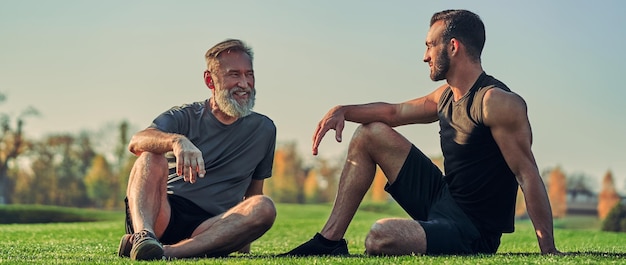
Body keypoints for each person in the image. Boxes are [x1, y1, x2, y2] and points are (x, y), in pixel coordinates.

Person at [283, 9, 560, 256]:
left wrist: (548, 250)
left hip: (472, 230)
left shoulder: (495, 102)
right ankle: (329, 242)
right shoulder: (446, 96)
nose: (425, 55)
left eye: (430, 45)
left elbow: (527, 173)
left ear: (453, 47)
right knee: (370, 134)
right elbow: (394, 113)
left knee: (380, 236)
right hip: (443, 199)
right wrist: (343, 110)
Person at [117, 39, 277, 260]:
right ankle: (144, 237)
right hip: (163, 214)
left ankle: (163, 253)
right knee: (149, 156)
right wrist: (176, 141)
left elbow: (253, 192)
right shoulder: (184, 116)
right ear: (210, 81)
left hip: (213, 227)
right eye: (234, 75)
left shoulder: (264, 129)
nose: (244, 83)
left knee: (264, 206)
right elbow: (136, 140)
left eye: (248, 74)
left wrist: (243, 238)